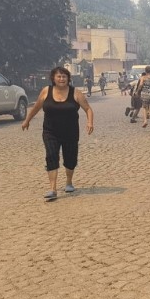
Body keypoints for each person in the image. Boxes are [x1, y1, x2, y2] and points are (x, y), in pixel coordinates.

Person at [22, 66, 94, 201]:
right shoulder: (46, 91)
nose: (61, 79)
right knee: (51, 156)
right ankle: (53, 188)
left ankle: (68, 182)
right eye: (59, 76)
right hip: (50, 131)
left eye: (64, 76)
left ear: (68, 79)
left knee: (70, 158)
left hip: (70, 132)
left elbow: (88, 109)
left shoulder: (76, 93)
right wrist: (27, 121)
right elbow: (36, 107)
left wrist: (90, 122)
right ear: (53, 78)